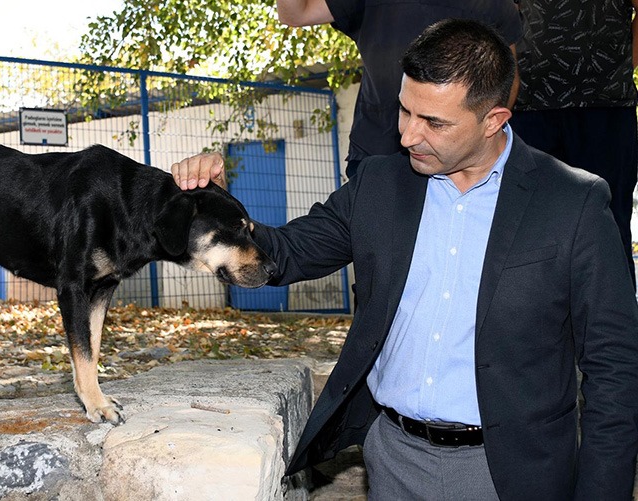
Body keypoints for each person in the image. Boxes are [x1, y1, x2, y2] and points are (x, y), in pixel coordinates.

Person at [172, 19, 638, 499]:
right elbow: (285, 255)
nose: (408, 135)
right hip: (391, 459)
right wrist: (217, 208)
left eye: (434, 123)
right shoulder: (378, 184)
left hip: (511, 472)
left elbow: (616, 367)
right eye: (404, 110)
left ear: (494, 120)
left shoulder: (572, 202)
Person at [276, 0, 522, 178]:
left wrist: (473, 144)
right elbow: (297, 14)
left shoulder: (492, 6)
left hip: (454, 165)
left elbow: (505, 82)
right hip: (378, 155)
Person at [509, 0, 638, 286]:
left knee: (607, 222)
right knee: (529, 227)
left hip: (606, 106)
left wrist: (626, 60)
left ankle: (614, 326)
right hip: (529, 106)